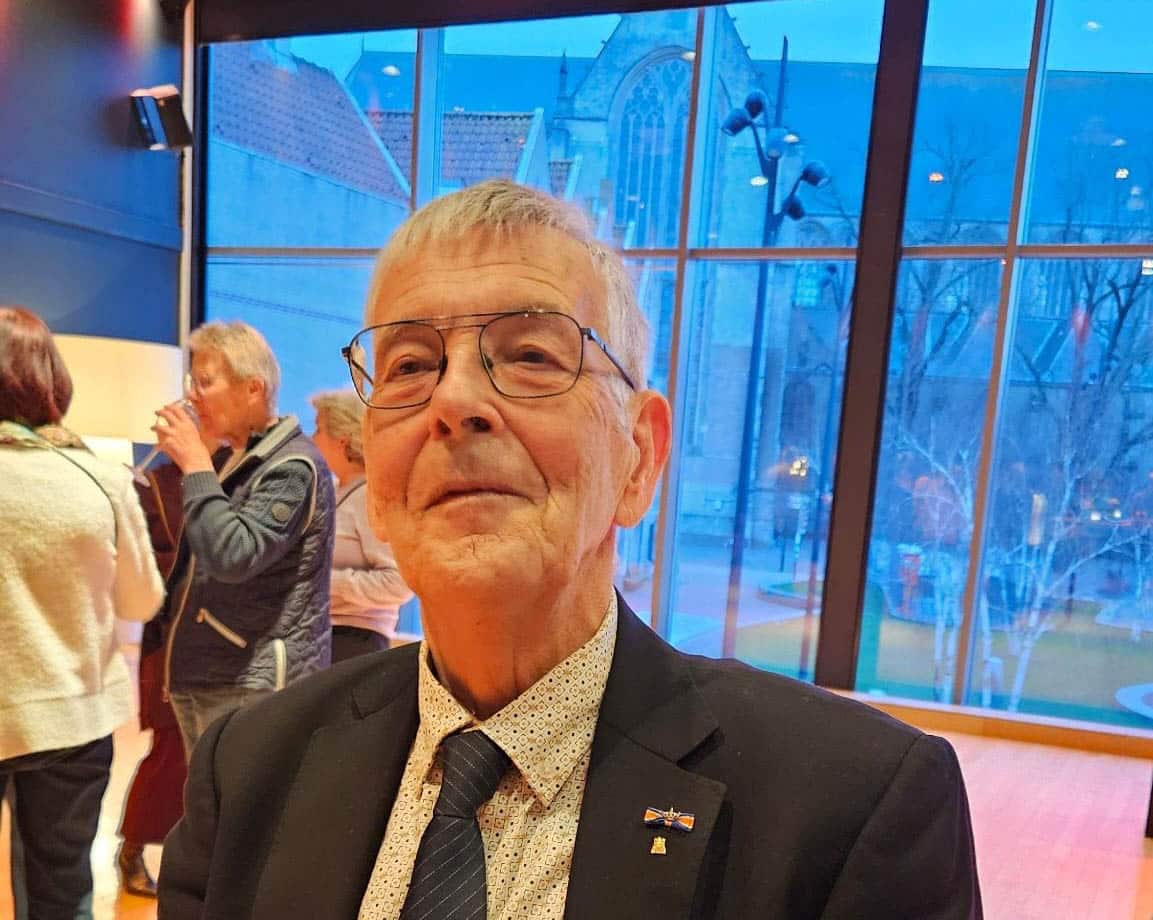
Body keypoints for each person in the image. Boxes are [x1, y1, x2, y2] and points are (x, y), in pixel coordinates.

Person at [159, 181, 981, 918]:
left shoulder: (851, 811)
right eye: (410, 365)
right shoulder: (249, 769)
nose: (455, 399)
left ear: (639, 457)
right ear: (374, 467)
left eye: (530, 355)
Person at [0, 306, 164, 918]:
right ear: (52, 379)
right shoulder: (101, 479)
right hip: (74, 715)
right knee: (62, 889)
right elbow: (141, 600)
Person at [151, 320, 335, 759]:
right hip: (208, 670)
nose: (192, 396)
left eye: (205, 382)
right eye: (191, 382)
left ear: (253, 388)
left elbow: (233, 555)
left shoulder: (292, 466)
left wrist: (195, 462)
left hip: (252, 678)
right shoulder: (229, 457)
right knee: (208, 800)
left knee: (245, 802)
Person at [310, 390, 414, 661]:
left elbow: (399, 583)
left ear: (341, 440)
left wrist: (326, 581)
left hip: (355, 642)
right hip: (319, 634)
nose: (311, 439)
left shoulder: (373, 498)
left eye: (318, 429)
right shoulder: (331, 491)